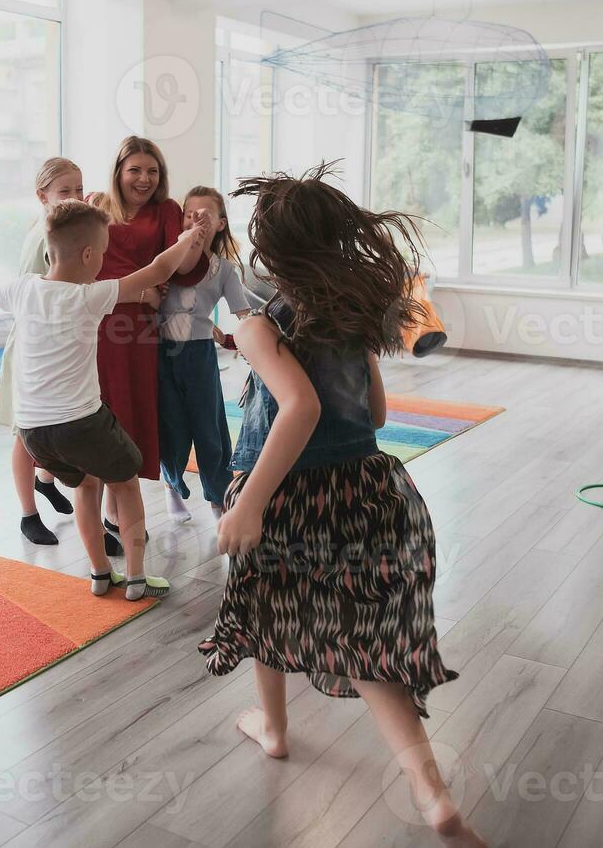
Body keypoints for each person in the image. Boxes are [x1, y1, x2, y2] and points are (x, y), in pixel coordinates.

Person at [198, 166, 483, 847]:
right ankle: (432, 794)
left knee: (266, 609)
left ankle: (273, 728)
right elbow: (376, 412)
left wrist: (250, 506)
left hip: (289, 496)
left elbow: (301, 407)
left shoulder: (263, 325)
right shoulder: (353, 319)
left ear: (273, 252)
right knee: (369, 649)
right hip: (367, 488)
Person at [0, 201, 209, 601]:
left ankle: (99, 573)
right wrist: (188, 238)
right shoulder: (89, 296)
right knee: (124, 482)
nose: (105, 258)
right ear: (88, 255)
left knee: (86, 487)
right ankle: (138, 576)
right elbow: (159, 270)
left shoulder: (23, 288)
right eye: (104, 251)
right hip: (83, 423)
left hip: (35, 432)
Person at [91, 136, 209, 555]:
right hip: (97, 325)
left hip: (137, 332)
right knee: (100, 416)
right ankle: (107, 516)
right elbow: (82, 268)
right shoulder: (96, 204)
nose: (144, 179)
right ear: (119, 172)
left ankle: (114, 513)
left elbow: (181, 271)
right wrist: (139, 293)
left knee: (129, 416)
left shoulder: (166, 211)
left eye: (152, 171)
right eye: (135, 170)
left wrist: (197, 239)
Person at [0, 157, 84, 546]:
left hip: (53, 347)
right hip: (31, 348)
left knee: (55, 425)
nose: (75, 197)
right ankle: (28, 514)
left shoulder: (59, 228)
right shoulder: (48, 236)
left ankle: (46, 480)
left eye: (79, 189)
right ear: (42, 195)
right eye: (66, 191)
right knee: (23, 433)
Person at [157, 186, 251, 523]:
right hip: (163, 355)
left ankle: (217, 498)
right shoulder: (167, 260)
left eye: (205, 215)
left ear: (221, 224)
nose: (196, 220)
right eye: (189, 214)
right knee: (173, 427)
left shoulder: (224, 270)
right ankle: (172, 487)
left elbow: (244, 315)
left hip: (199, 358)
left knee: (210, 430)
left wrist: (239, 341)